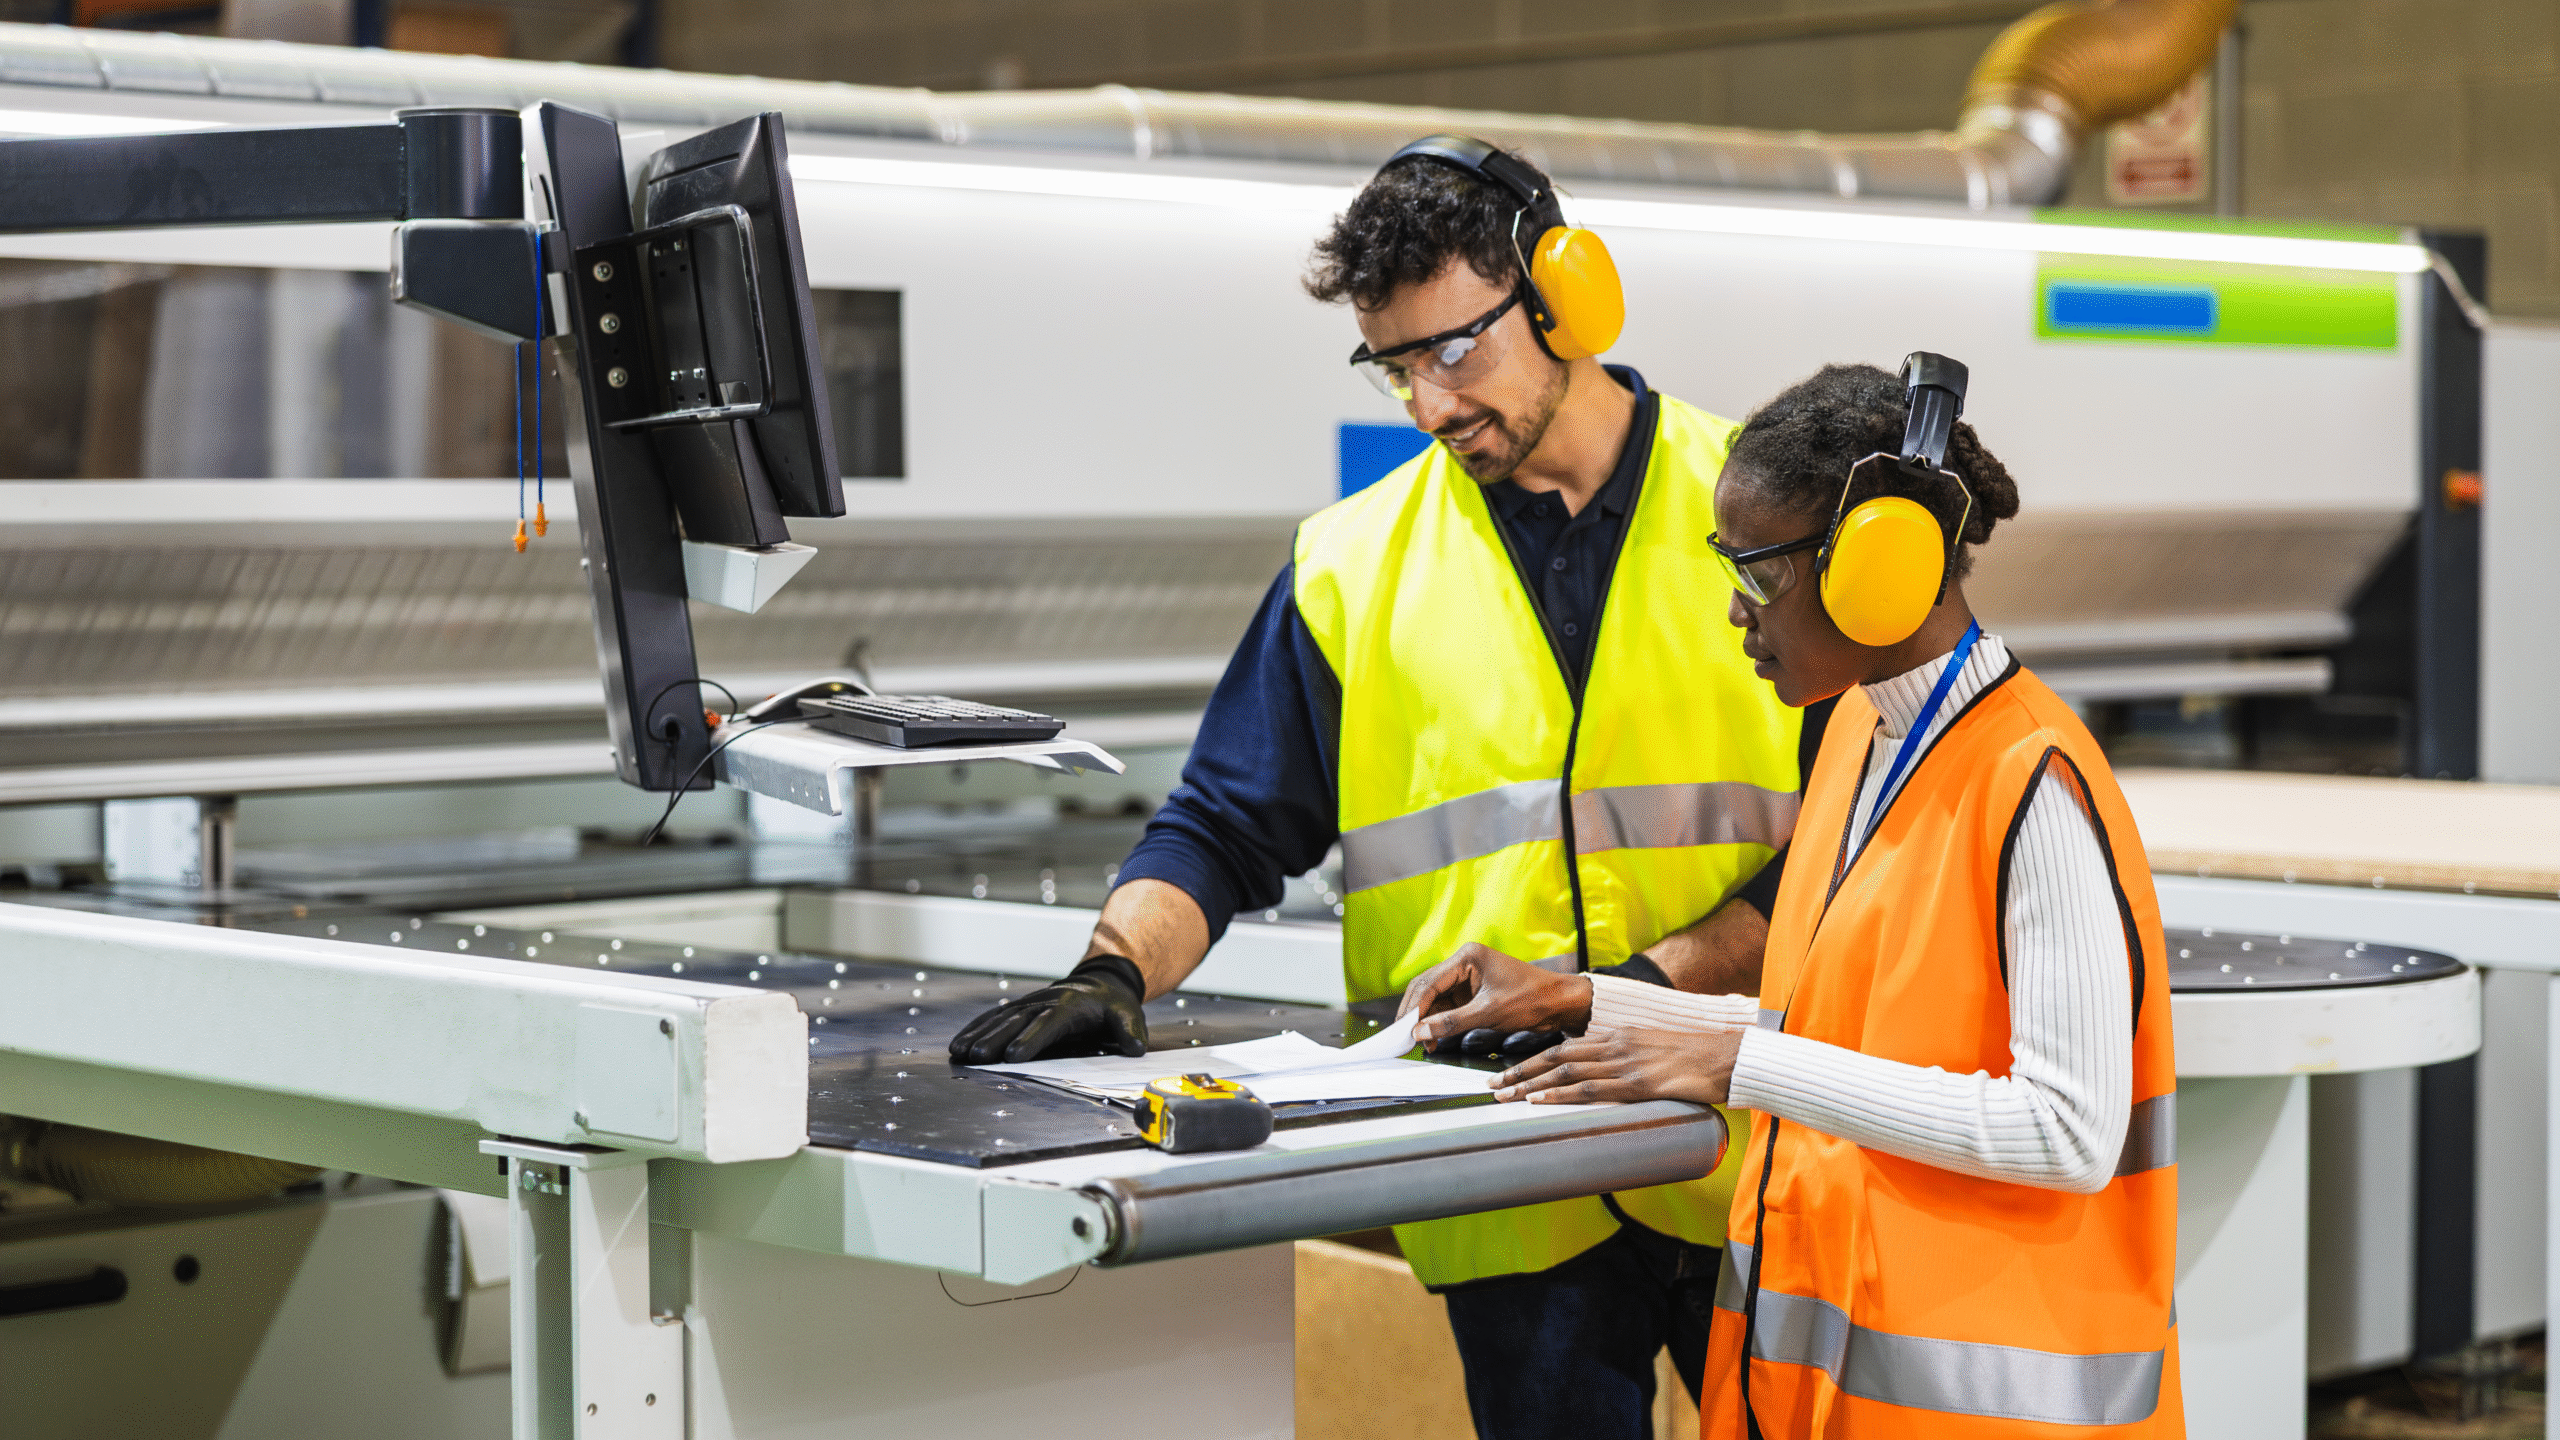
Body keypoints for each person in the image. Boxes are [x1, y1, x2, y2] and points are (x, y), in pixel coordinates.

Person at [947, 136, 1815, 1437]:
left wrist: (1639, 992)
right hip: (1507, 1168)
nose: (1426, 404)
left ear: (1563, 298)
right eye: (1393, 366)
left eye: (1453, 351)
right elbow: (1224, 822)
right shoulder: (1351, 565)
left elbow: (1853, 838)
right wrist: (1114, 970)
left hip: (1745, 1137)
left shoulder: (1757, 507)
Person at [1406, 359, 2183, 1436]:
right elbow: (1829, 1031)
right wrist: (1586, 999)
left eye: (1760, 573)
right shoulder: (1865, 737)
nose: (1737, 611)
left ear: (1882, 569)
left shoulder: (2030, 779)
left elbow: (2067, 1131)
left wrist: (1738, 1064)